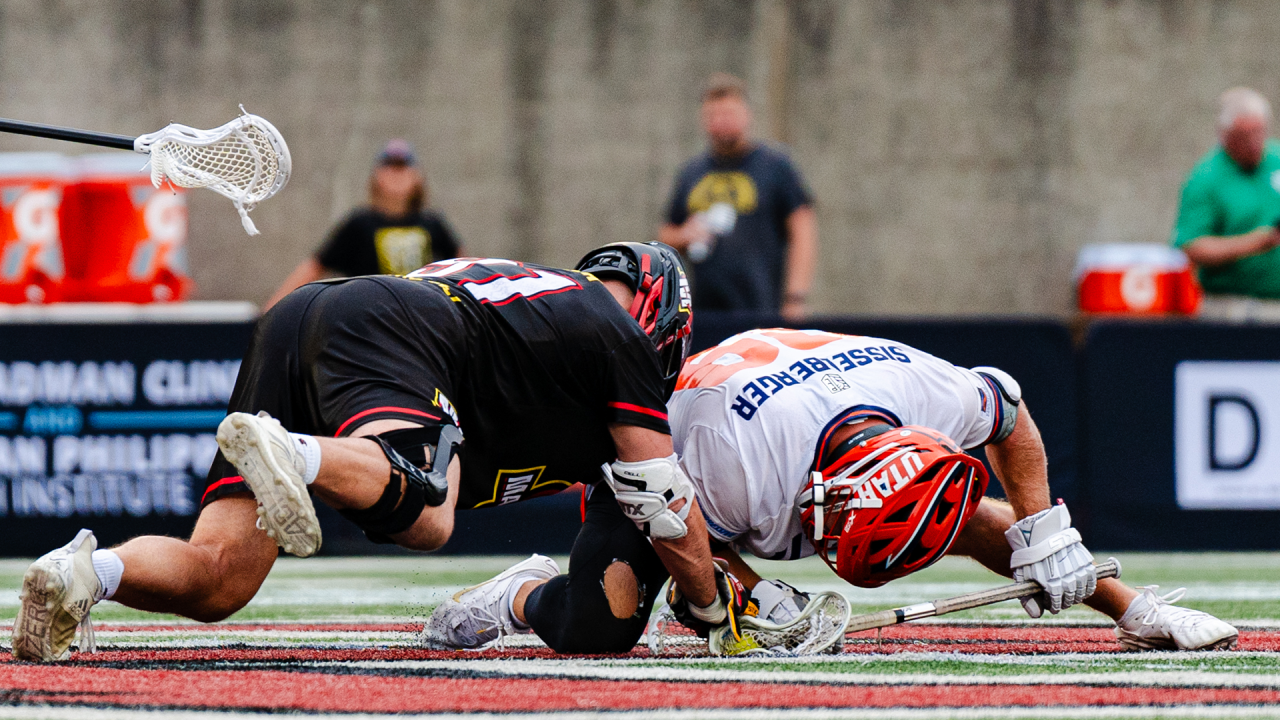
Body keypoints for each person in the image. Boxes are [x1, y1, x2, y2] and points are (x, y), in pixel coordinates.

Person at [12, 243, 741, 662]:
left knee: (220, 580)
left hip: (310, 320)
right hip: (392, 325)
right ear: (663, 325)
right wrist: (715, 611)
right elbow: (660, 497)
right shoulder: (612, 333)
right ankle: (296, 453)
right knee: (429, 512)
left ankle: (83, 571)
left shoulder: (540, 346)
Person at [470, 328, 1239, 654]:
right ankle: (520, 592)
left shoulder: (924, 395)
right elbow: (677, 522)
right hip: (659, 468)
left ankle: (1136, 610)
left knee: (961, 515)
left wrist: (1048, 534)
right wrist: (737, 597)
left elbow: (1006, 404)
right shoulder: (731, 461)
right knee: (603, 630)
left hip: (796, 417)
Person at [659, 73, 817, 321]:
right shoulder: (692, 172)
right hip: (703, 312)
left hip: (761, 307)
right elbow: (664, 235)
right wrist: (684, 236)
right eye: (714, 115)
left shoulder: (775, 166)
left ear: (747, 115)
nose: (722, 122)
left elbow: (803, 228)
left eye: (729, 113)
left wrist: (795, 297)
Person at [265, 140, 462, 310]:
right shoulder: (359, 224)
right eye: (390, 166)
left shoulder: (433, 224)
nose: (396, 173)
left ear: (417, 176)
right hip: (370, 322)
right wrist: (272, 311)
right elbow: (315, 266)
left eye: (402, 167)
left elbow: (463, 269)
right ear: (376, 175)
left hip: (422, 320)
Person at [1173, 87, 1280, 320]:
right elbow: (1192, 246)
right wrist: (1254, 243)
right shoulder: (1206, 177)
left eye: (1259, 132)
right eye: (1244, 136)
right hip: (1229, 308)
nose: (1254, 143)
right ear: (1225, 135)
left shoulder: (1277, 160)